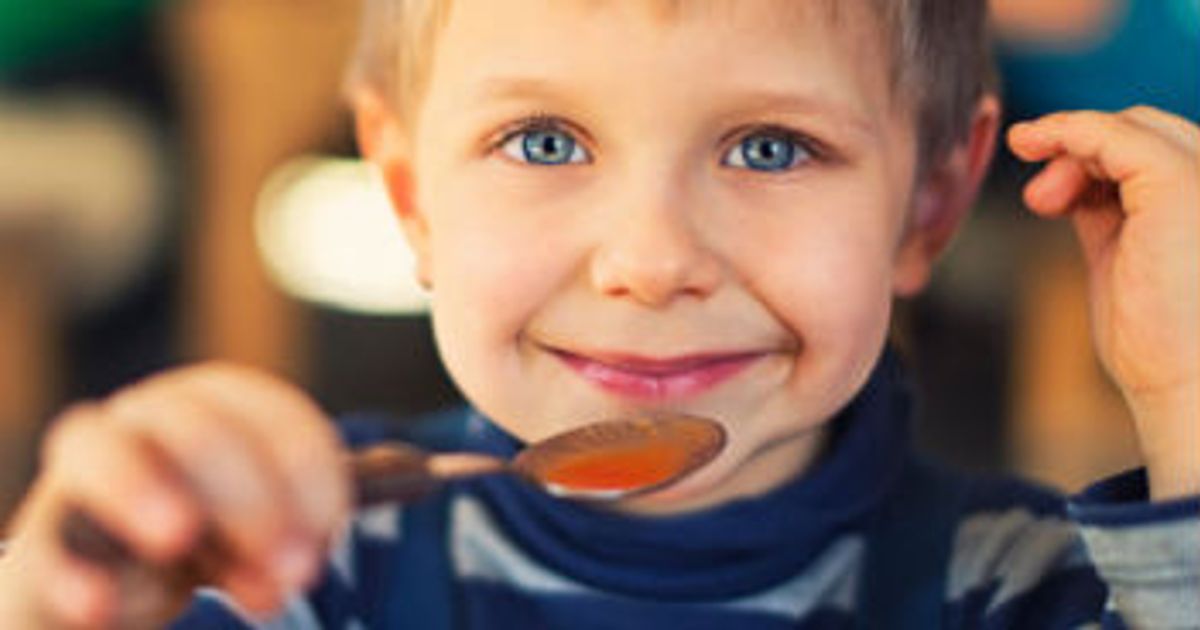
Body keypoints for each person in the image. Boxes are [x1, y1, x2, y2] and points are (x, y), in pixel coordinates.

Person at [1, 0, 1196, 627]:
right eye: (543, 141)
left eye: (771, 148)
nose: (651, 263)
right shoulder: (298, 571)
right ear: (410, 194)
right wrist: (58, 602)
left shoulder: (1021, 591)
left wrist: (1188, 398)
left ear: (928, 205)